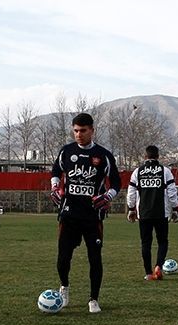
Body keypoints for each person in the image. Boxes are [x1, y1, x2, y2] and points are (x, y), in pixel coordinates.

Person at [49, 113, 121, 313]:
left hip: (92, 217)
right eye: (75, 131)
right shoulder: (66, 152)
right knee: (63, 258)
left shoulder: (104, 155)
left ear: (92, 130)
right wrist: (55, 187)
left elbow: (116, 183)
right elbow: (55, 171)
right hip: (69, 214)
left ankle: (94, 299)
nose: (79, 134)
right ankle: (64, 287)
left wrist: (107, 197)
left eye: (83, 131)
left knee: (95, 258)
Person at [126, 145, 178, 281]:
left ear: (145, 156)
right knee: (163, 241)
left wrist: (131, 209)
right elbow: (172, 192)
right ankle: (159, 266)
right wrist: (175, 209)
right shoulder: (165, 171)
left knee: (146, 243)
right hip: (161, 213)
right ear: (158, 156)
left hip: (144, 213)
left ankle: (149, 273)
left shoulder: (137, 172)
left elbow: (131, 193)